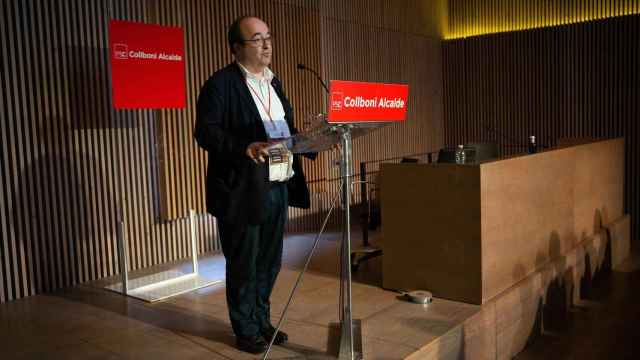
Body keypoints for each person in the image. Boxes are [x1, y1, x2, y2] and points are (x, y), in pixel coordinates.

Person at [194, 16, 314, 354]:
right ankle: (245, 328)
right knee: (244, 263)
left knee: (269, 262)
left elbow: (283, 130)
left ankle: (261, 320)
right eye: (256, 39)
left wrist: (313, 141)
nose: (266, 44)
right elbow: (206, 131)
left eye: (268, 37)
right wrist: (243, 147)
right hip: (241, 188)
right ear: (236, 48)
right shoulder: (221, 84)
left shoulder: (274, 83)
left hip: (277, 185)